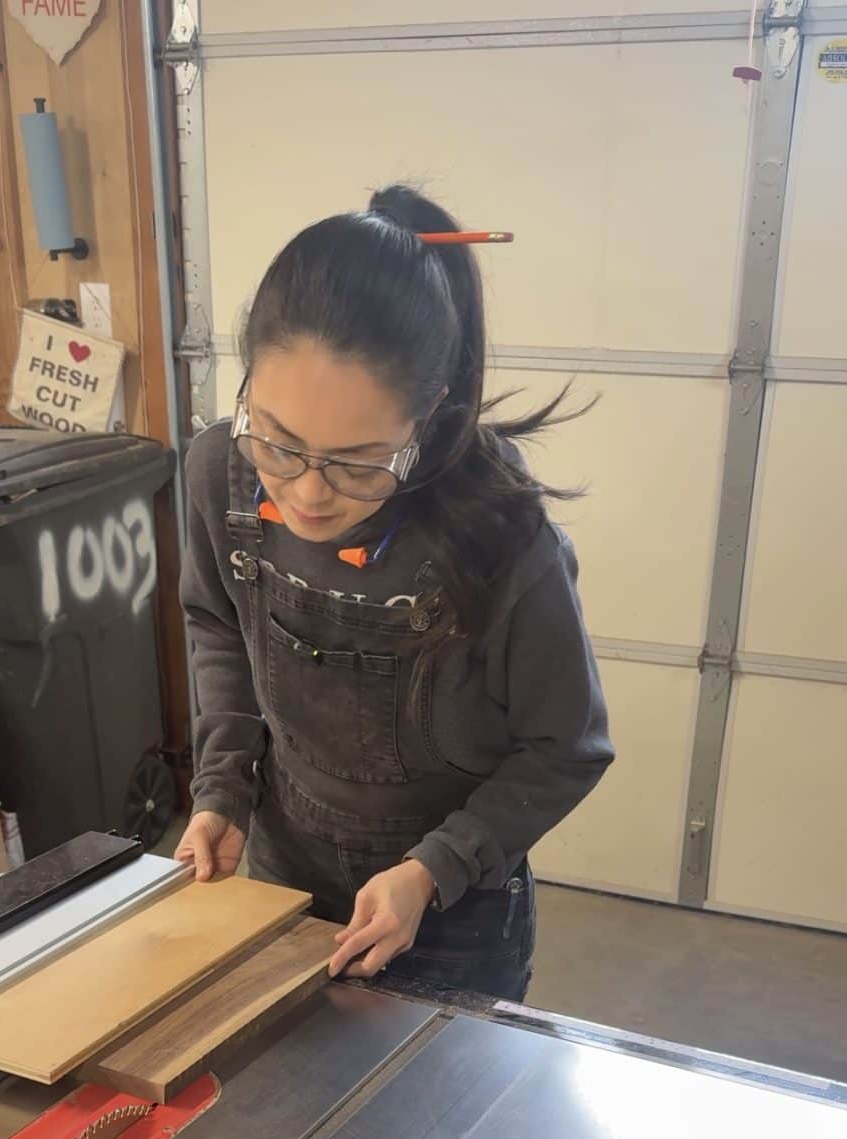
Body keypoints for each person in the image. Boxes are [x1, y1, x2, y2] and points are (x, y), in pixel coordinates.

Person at [177, 185, 613, 1000]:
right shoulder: (217, 475)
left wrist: (431, 870)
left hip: (452, 914)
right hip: (284, 871)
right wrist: (222, 789)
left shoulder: (499, 531)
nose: (308, 494)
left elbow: (566, 747)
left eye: (357, 462)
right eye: (279, 443)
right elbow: (219, 627)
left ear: (430, 417)